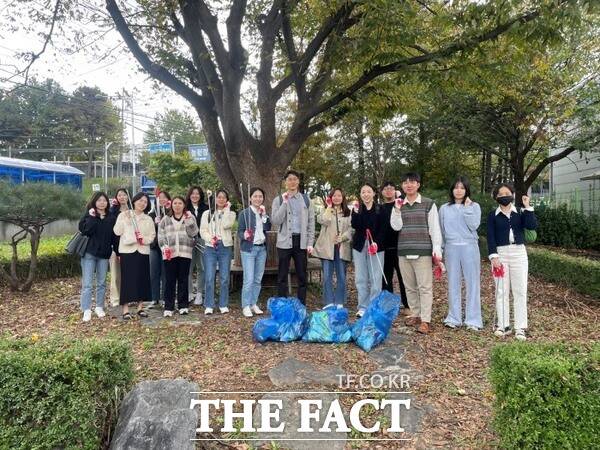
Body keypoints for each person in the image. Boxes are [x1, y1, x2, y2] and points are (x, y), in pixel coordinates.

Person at [390, 173, 442, 335]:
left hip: (422, 250)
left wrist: (437, 248)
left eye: (412, 182)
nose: (408, 185)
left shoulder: (428, 204)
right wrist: (397, 210)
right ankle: (415, 313)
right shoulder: (398, 204)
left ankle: (425, 319)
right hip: (404, 250)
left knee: (425, 287)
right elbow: (396, 226)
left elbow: (434, 228)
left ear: (418, 184)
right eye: (405, 183)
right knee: (409, 286)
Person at [487, 183, 538, 341]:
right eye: (500, 194)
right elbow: (490, 236)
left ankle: (520, 327)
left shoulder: (520, 212)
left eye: (507, 193)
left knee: (520, 290)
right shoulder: (492, 215)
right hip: (500, 254)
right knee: (501, 290)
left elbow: (531, 225)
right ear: (496, 197)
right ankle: (503, 325)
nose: (504, 195)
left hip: (518, 253)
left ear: (513, 195)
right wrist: (493, 256)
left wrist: (527, 206)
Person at [439, 177, 482, 331]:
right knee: (453, 283)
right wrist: (441, 250)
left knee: (472, 283)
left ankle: (473, 320)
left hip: (470, 247)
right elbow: (441, 231)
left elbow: (474, 225)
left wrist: (468, 209)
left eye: (462, 188)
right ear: (452, 190)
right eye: (456, 187)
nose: (459, 190)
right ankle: (454, 317)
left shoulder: (474, 206)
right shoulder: (444, 208)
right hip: (451, 248)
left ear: (466, 190)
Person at [271, 170, 315, 305]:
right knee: (282, 275)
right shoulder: (278, 200)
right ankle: (282, 305)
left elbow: (311, 222)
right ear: (285, 182)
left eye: (295, 179)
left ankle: (301, 304)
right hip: (284, 242)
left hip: (301, 242)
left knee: (302, 275)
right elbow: (276, 221)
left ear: (298, 182)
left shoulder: (306, 200)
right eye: (289, 179)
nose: (292, 182)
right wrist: (284, 203)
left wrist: (310, 242)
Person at [113, 192, 155, 320]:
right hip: (127, 251)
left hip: (142, 251)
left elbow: (152, 236)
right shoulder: (124, 215)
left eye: (145, 202)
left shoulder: (148, 219)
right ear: (134, 201)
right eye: (140, 200)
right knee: (127, 280)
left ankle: (140, 307)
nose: (142, 203)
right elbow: (117, 231)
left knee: (142, 279)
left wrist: (144, 239)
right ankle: (125, 309)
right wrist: (124, 218)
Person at [78, 191, 116, 322]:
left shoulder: (111, 217)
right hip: (89, 253)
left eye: (104, 200)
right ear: (94, 202)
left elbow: (114, 236)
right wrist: (92, 217)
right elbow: (86, 230)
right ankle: (86, 309)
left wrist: (117, 251)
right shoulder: (89, 215)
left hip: (104, 254)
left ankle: (99, 307)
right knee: (87, 284)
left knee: (101, 283)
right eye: (99, 200)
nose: (102, 203)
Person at [158, 196, 199, 317]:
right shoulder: (166, 219)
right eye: (175, 203)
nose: (177, 205)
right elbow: (161, 235)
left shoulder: (190, 217)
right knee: (169, 280)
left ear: (184, 205)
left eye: (180, 203)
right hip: (170, 253)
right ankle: (168, 307)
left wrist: (189, 221)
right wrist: (164, 247)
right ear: (171, 205)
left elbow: (194, 233)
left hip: (185, 252)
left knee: (183, 279)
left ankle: (183, 306)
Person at [313, 188, 353, 309]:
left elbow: (352, 229)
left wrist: (343, 237)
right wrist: (329, 208)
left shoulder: (348, 212)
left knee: (341, 275)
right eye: (334, 196)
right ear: (331, 197)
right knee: (327, 276)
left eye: (339, 196)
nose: (337, 198)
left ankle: (340, 300)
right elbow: (323, 221)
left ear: (343, 198)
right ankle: (329, 301)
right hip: (327, 249)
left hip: (341, 248)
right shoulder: (325, 211)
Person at [351, 183, 386, 317]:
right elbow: (355, 225)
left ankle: (374, 306)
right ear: (360, 195)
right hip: (359, 246)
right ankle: (363, 306)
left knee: (376, 277)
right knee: (361, 277)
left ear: (373, 194)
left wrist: (377, 242)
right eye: (363, 192)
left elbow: (384, 228)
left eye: (368, 191)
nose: (366, 194)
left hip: (376, 246)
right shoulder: (357, 209)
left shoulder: (380, 209)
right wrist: (355, 213)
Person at [237, 187, 272, 317]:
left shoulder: (263, 213)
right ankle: (245, 305)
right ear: (250, 198)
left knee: (258, 278)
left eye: (260, 196)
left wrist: (264, 216)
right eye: (255, 196)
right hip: (249, 249)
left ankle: (253, 303)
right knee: (249, 278)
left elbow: (268, 227)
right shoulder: (244, 214)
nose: (258, 198)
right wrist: (244, 235)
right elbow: (239, 231)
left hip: (262, 248)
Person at [200, 189, 236, 315]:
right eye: (219, 197)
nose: (221, 199)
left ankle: (223, 304)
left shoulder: (231, 214)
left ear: (227, 200)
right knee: (209, 277)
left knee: (224, 277)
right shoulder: (207, 213)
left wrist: (226, 210)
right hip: (210, 246)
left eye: (223, 197)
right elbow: (203, 230)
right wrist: (210, 238)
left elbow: (227, 225)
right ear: (215, 199)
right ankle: (209, 304)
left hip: (225, 247)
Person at [380, 181, 409, 313]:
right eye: (386, 189)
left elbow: (405, 199)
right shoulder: (379, 208)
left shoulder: (400, 204)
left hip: (400, 247)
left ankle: (408, 305)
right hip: (384, 248)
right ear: (382, 192)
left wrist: (400, 195)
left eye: (391, 189)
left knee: (404, 278)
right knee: (386, 278)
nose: (388, 191)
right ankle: (389, 306)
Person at [186, 186, 209, 306]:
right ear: (189, 195)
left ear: (201, 196)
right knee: (189, 267)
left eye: (197, 194)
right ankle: (189, 292)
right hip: (188, 240)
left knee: (201, 267)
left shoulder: (206, 208)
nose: (195, 196)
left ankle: (199, 293)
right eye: (193, 194)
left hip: (202, 240)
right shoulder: (185, 208)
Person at [148, 190, 171, 307]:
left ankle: (165, 298)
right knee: (153, 272)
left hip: (167, 247)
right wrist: (154, 223)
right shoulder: (151, 214)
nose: (162, 199)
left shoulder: (171, 213)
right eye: (159, 197)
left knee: (165, 273)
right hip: (154, 247)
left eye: (164, 197)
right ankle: (154, 297)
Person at [108, 188, 129, 307]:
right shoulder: (112, 211)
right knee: (115, 275)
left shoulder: (132, 210)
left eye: (124, 195)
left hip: (128, 247)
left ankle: (127, 297)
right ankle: (115, 299)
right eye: (119, 195)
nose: (122, 197)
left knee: (127, 274)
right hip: (115, 247)